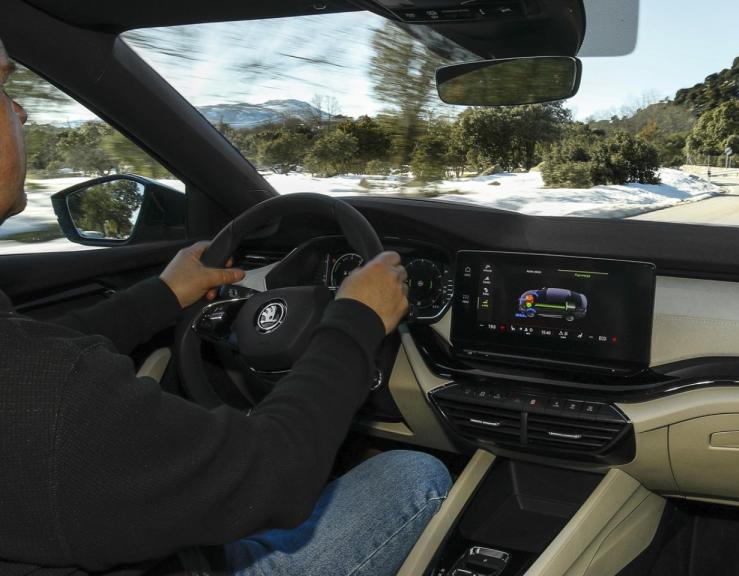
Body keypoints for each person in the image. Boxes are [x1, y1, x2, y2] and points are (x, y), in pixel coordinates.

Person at [0, 37, 451, 575]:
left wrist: (162, 296)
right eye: (3, 86)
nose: (21, 107)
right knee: (414, 476)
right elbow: (271, 476)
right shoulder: (51, 399)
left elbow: (39, 347)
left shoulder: (37, 378)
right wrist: (357, 319)